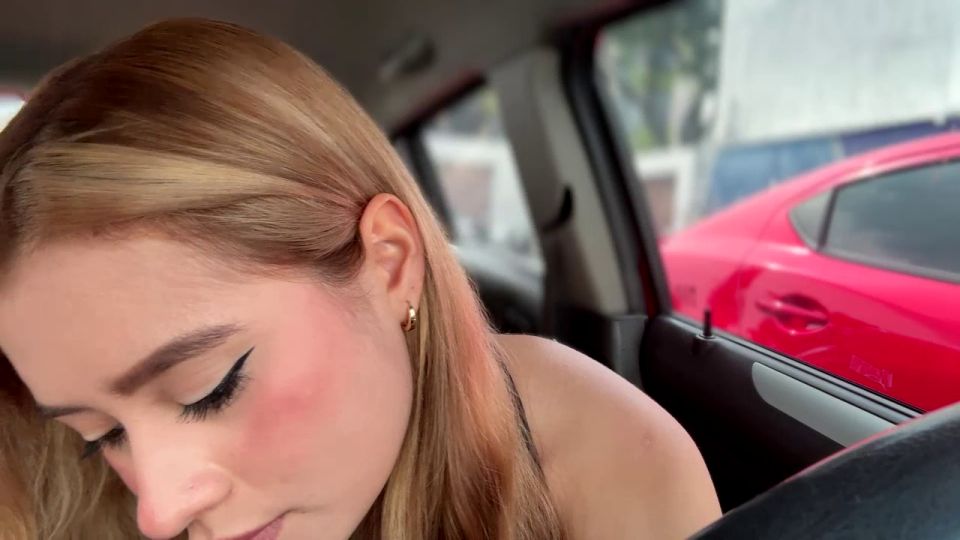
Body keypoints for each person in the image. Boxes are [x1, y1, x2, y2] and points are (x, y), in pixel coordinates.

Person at [0, 18, 720, 540]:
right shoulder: (41, 490)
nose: (160, 513)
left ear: (391, 263)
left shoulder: (609, 462)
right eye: (100, 436)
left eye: (210, 390)